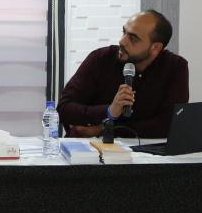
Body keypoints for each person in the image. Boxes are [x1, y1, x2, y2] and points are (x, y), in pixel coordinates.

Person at [57, 10, 188, 138]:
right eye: (124, 32)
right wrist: (109, 111)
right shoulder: (101, 58)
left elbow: (169, 125)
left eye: (133, 38)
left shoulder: (175, 67)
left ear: (155, 48)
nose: (122, 41)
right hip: (87, 149)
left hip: (144, 151)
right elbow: (64, 110)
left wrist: (104, 129)